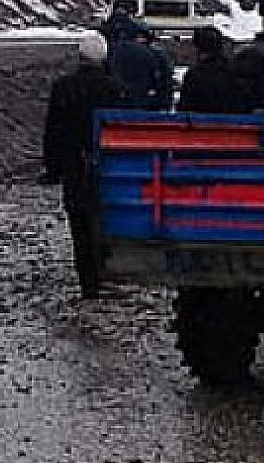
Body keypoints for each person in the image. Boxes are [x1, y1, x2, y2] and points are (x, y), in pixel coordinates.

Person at [42, 32, 126, 298]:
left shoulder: (63, 87)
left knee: (79, 223)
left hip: (74, 164)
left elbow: (52, 129)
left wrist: (53, 167)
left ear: (79, 57)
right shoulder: (115, 88)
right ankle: (105, 273)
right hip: (106, 165)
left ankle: (88, 280)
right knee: (104, 220)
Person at [107, 19, 172, 111]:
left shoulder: (111, 51)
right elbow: (165, 86)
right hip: (147, 108)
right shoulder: (155, 55)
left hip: (114, 109)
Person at [176, 26, 243, 113]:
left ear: (197, 48)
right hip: (232, 123)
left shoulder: (194, 76)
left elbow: (185, 111)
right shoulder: (234, 73)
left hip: (201, 124)